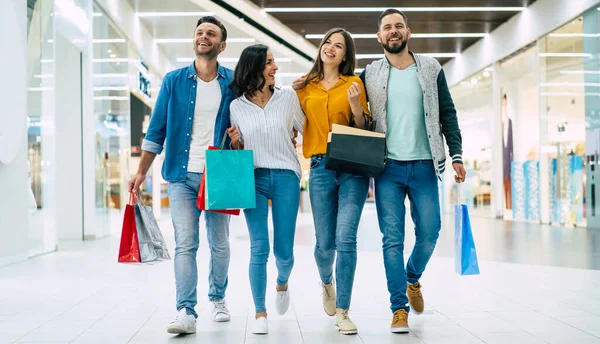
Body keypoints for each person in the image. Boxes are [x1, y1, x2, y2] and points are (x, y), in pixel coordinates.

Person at [359, 9, 466, 333]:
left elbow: (447, 113)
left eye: (399, 26)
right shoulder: (370, 73)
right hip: (386, 167)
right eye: (387, 28)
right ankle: (398, 308)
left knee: (430, 232)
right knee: (392, 239)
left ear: (409, 31)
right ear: (379, 36)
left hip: (424, 165)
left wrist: (457, 154)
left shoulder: (431, 68)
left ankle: (412, 278)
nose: (393, 31)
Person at [128, 16, 236, 335]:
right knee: (185, 243)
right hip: (180, 175)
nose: (204, 37)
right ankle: (185, 310)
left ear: (221, 45)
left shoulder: (232, 82)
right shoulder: (174, 80)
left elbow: (248, 120)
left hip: (219, 173)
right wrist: (140, 173)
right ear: (194, 40)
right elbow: (156, 130)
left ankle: (218, 298)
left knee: (220, 243)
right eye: (200, 32)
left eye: (211, 34)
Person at [294, 28, 370, 335]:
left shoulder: (354, 84)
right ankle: (327, 282)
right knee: (325, 244)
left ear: (345, 55)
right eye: (328, 42)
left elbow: (364, 126)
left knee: (346, 239)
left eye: (339, 46)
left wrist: (354, 107)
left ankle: (343, 311)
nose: (331, 48)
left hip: (352, 166)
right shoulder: (305, 87)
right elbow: (294, 122)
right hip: (320, 167)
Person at [227, 44, 305, 335]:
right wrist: (235, 142)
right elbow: (240, 150)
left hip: (286, 175)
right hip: (253, 178)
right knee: (259, 247)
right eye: (270, 63)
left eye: (274, 63)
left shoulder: (287, 98)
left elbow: (306, 129)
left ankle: (282, 282)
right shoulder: (237, 106)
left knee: (284, 252)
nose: (275, 68)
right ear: (255, 67)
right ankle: (260, 312)